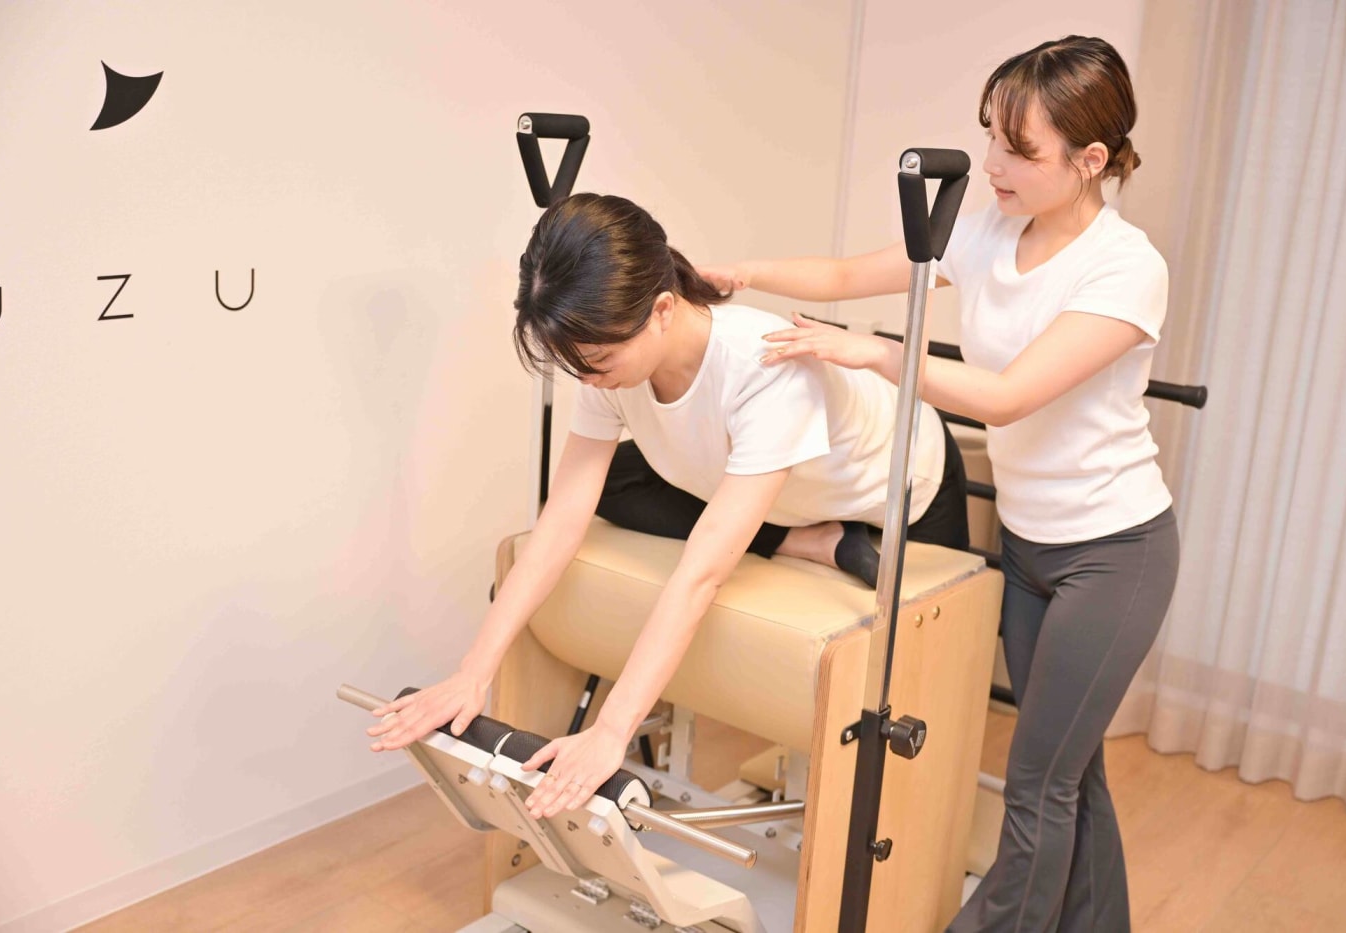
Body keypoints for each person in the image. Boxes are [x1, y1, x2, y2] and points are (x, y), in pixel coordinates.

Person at [701, 34, 1180, 933]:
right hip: (1029, 547)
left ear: (1089, 160)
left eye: (1018, 149)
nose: (991, 164)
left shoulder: (1126, 266)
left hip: (1114, 553)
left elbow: (1008, 396)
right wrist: (741, 274)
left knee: (1036, 786)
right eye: (990, 135)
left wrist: (877, 353)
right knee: (1072, 775)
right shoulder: (988, 228)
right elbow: (848, 275)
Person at [366, 192, 969, 821]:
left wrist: (611, 731)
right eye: (575, 366)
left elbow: (701, 574)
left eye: (598, 362)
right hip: (785, 497)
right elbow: (563, 516)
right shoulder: (604, 361)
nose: (587, 378)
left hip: (904, 493)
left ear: (660, 310)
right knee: (618, 480)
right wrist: (472, 671)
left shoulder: (764, 365)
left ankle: (826, 537)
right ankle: (812, 541)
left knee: (922, 704)